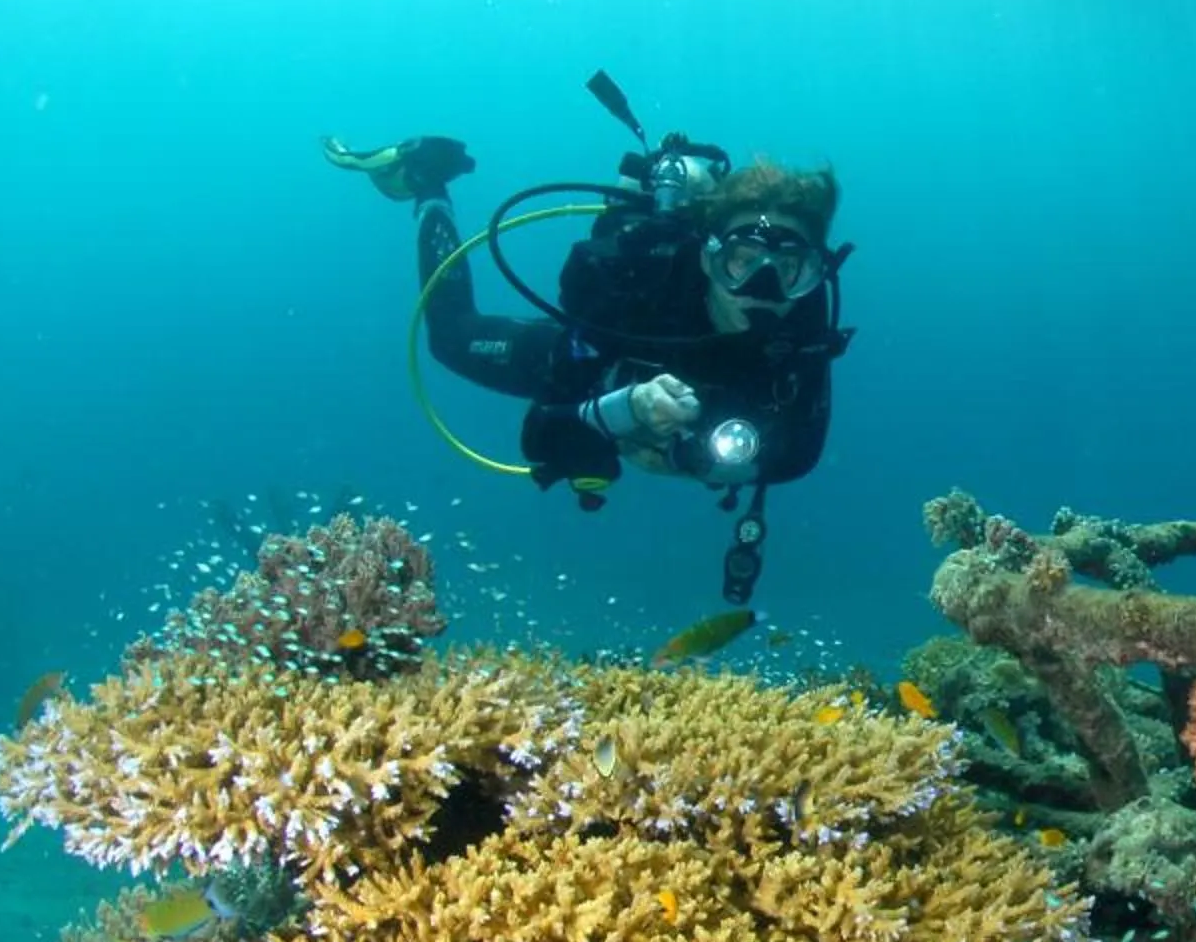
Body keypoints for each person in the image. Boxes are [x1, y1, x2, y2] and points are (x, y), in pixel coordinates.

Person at [324, 119, 852, 605]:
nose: (762, 287)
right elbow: (542, 434)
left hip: (667, 420)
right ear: (708, 256)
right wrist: (624, 407)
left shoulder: (802, 325)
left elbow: (799, 455)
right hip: (599, 353)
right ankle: (429, 189)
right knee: (450, 339)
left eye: (789, 268)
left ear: (813, 275)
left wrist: (687, 458)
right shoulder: (641, 283)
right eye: (741, 261)